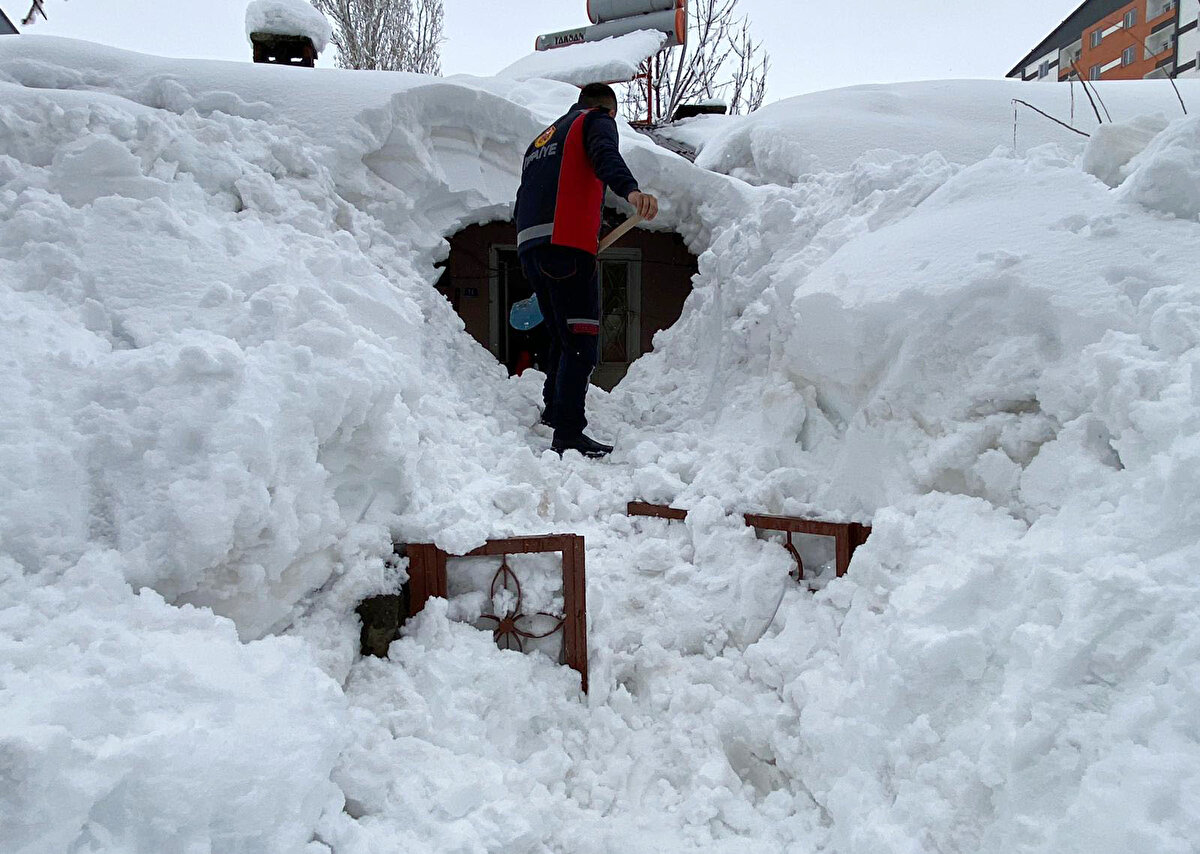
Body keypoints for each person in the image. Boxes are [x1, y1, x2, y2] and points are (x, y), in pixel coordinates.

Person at [515, 82, 659, 459]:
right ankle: (568, 433)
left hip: (532, 246)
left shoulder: (542, 141)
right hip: (565, 247)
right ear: (609, 110)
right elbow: (604, 155)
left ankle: (554, 412)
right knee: (581, 340)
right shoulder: (596, 120)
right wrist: (631, 191)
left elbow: (540, 193)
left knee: (561, 336)